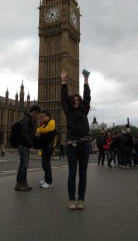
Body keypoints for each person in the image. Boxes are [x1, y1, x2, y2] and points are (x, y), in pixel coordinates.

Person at [61, 68, 91, 210]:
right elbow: (64, 98)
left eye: (78, 100)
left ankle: (82, 200)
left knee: (83, 174)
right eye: (75, 100)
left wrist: (86, 81)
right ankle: (72, 199)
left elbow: (87, 97)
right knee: (72, 174)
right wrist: (63, 81)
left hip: (84, 144)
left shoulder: (84, 110)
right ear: (72, 102)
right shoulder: (68, 112)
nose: (77, 101)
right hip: (72, 145)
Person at [15, 105, 41, 191]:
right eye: (37, 114)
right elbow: (25, 134)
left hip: (25, 145)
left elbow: (30, 134)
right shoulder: (26, 120)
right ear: (34, 112)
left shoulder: (30, 120)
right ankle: (19, 184)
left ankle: (24, 183)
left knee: (25, 165)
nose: (37, 116)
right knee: (23, 165)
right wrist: (30, 146)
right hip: (23, 145)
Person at [35, 110, 56, 189]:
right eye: (41, 117)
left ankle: (49, 182)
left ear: (48, 116)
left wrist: (40, 131)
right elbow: (38, 129)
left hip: (49, 146)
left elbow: (48, 129)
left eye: (43, 116)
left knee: (46, 164)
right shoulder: (45, 124)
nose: (42, 118)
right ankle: (46, 179)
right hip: (45, 146)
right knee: (44, 164)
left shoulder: (52, 122)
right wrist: (39, 130)